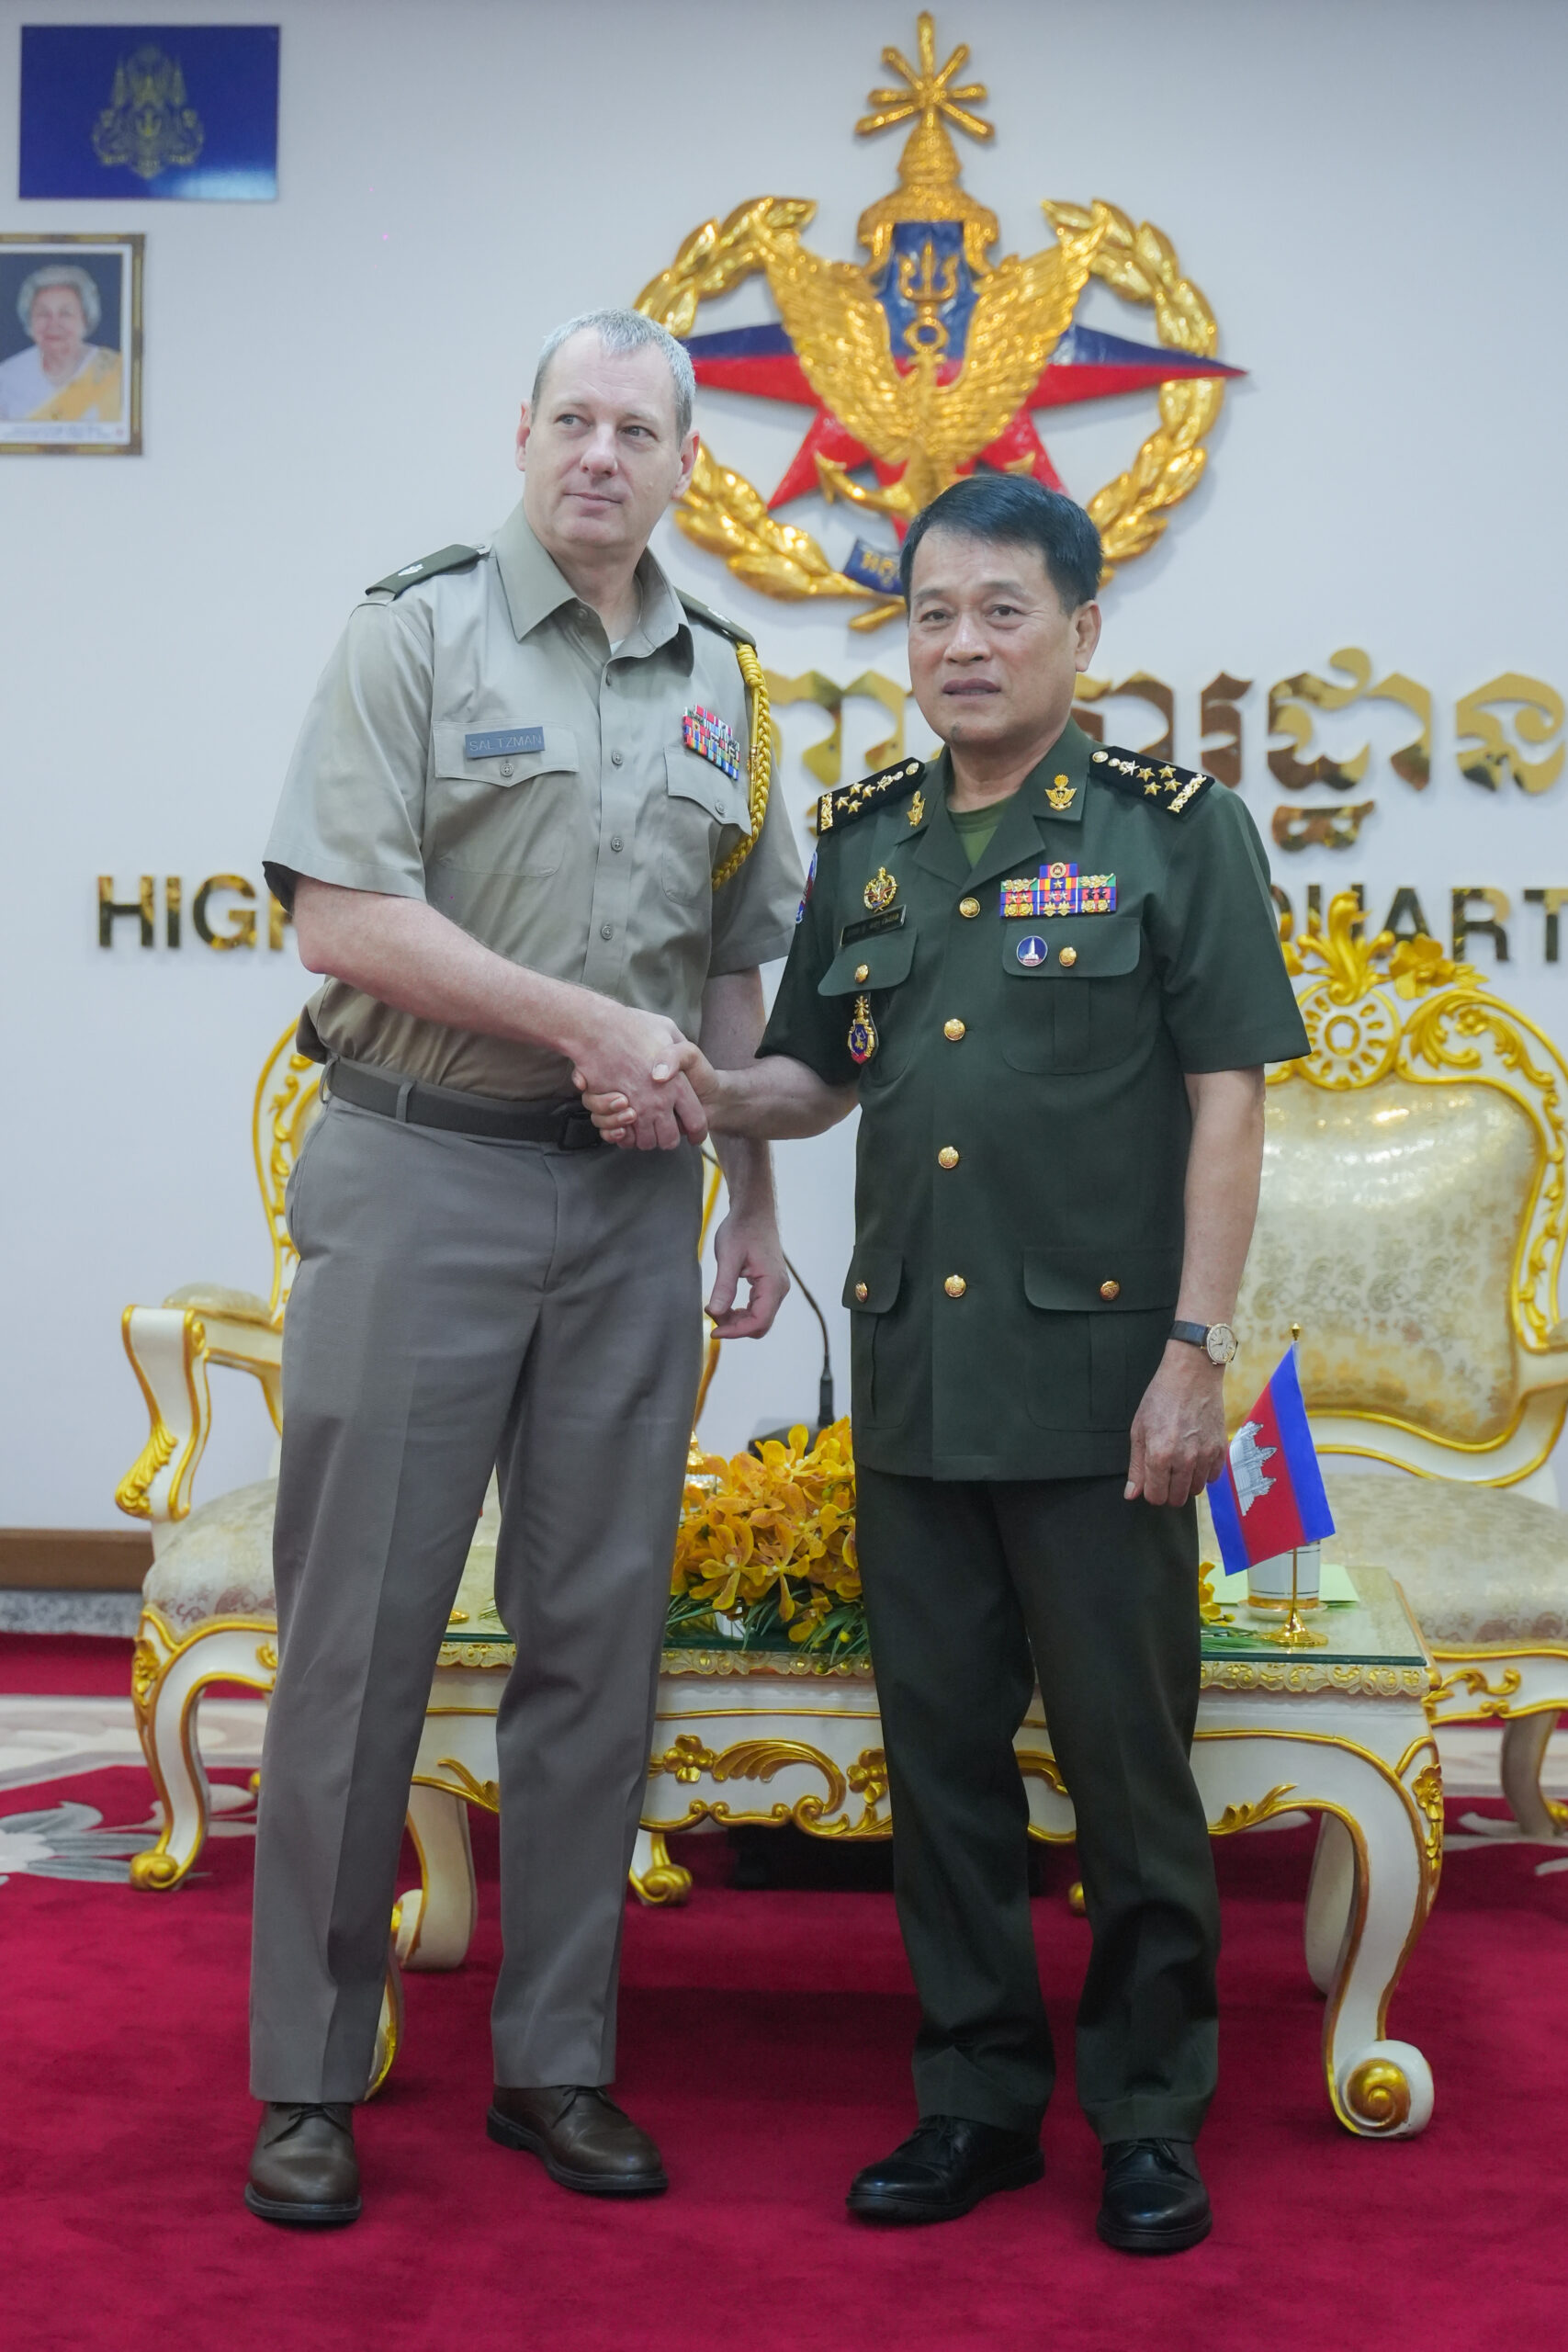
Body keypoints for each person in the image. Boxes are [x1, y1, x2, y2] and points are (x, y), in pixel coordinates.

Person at [588, 473, 1309, 2253]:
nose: (961, 644)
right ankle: (976, 2098)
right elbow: (814, 1076)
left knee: (1129, 1775)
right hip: (917, 1382)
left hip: (1100, 1392)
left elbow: (1228, 1103)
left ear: (1080, 629)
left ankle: (1146, 2113)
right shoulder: (870, 838)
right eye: (930, 613)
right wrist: (703, 1086)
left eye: (1001, 611)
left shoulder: (1171, 830)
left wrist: (1195, 1353)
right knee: (944, 1774)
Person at [246, 308, 803, 2226]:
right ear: (523, 432)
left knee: (595, 1642)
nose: (599, 454)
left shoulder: (729, 683)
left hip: (633, 1209)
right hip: (423, 1179)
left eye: (638, 430)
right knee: (359, 1645)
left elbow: (731, 968)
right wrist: (585, 1023)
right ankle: (311, 2075)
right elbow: (342, 917)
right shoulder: (413, 634)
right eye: (573, 419)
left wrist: (751, 1197)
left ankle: (555, 2061)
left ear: (684, 463)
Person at [0, 266, 122, 423]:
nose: (53, 324)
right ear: (29, 321)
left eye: (65, 313)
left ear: (85, 320)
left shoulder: (116, 371)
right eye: (43, 314)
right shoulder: (7, 377)